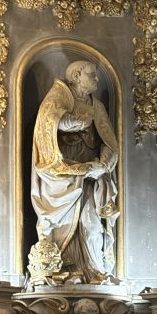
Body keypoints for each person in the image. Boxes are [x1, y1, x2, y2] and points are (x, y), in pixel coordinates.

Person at [31, 60, 119, 284]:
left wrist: (103, 165)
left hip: (89, 177)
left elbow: (110, 142)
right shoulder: (58, 96)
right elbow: (47, 122)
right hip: (62, 177)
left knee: (91, 224)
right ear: (77, 76)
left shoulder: (97, 106)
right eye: (92, 74)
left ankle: (94, 268)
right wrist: (74, 123)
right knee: (63, 223)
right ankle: (66, 269)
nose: (97, 79)